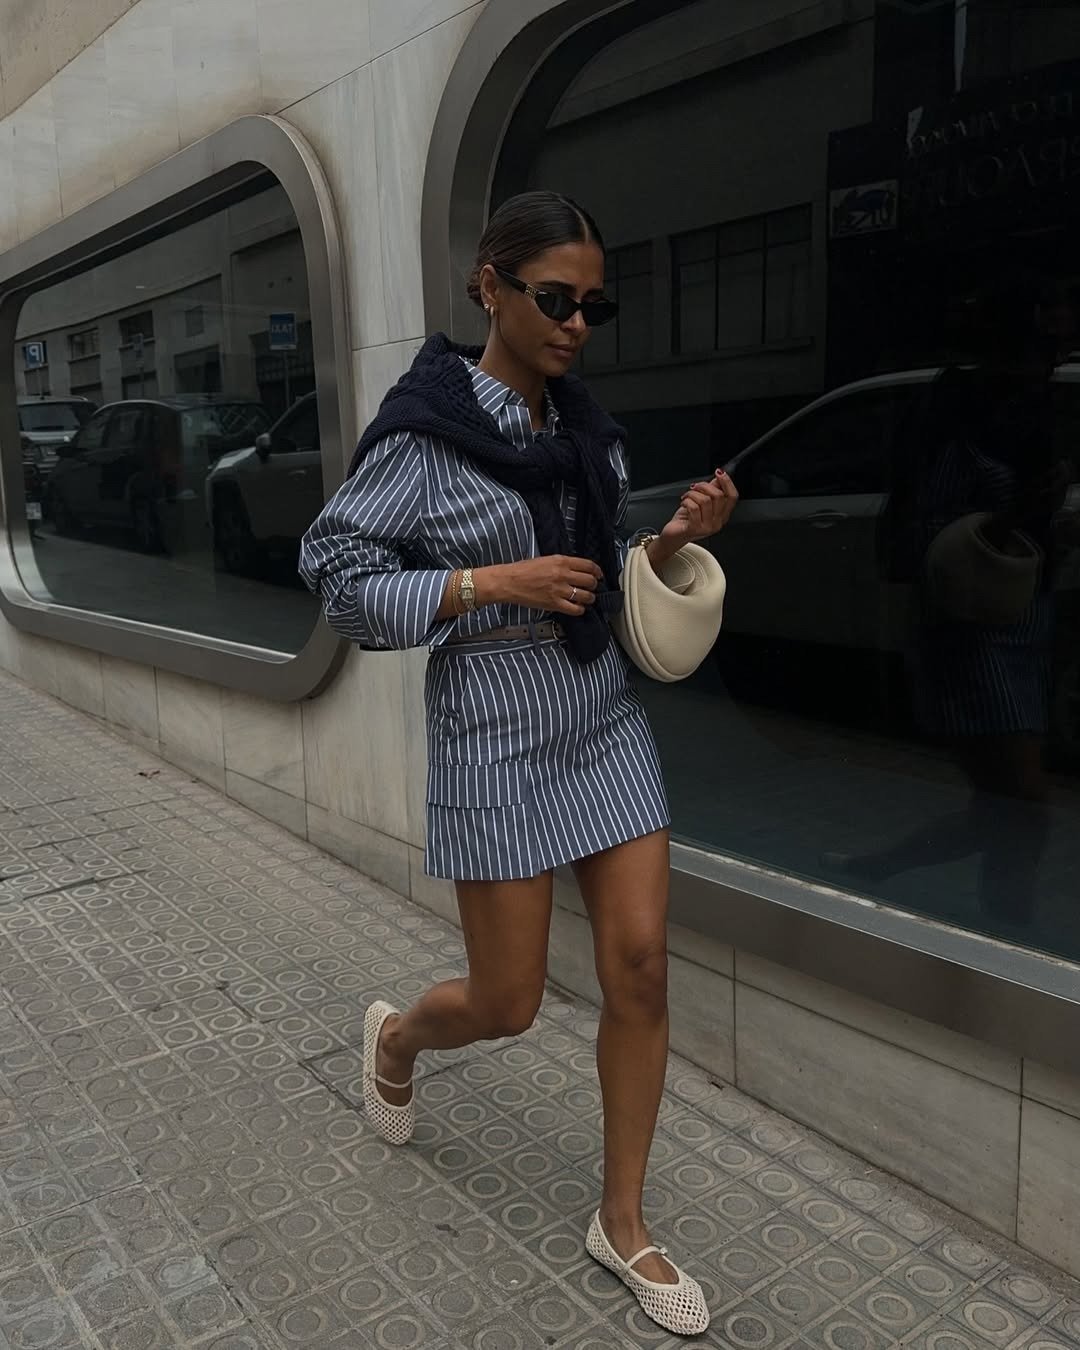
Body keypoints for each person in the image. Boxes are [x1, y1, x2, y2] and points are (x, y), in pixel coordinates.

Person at [299, 190, 737, 1336]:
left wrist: (672, 542)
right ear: (488, 288)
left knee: (640, 965)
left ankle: (623, 1222)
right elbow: (335, 577)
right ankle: (398, 1037)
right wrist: (490, 582)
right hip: (492, 723)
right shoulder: (423, 435)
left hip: (598, 707)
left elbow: (598, 555)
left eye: (595, 304)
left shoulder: (582, 425)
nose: (578, 324)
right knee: (508, 1001)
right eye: (555, 299)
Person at [832, 271, 1076, 923]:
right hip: (971, 621)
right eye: (1038, 346)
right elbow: (933, 537)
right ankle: (1006, 937)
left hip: (1024, 608)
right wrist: (1016, 517)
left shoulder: (1032, 411)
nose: (1043, 365)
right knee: (1021, 802)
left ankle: (888, 869)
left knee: (1012, 803)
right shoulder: (960, 413)